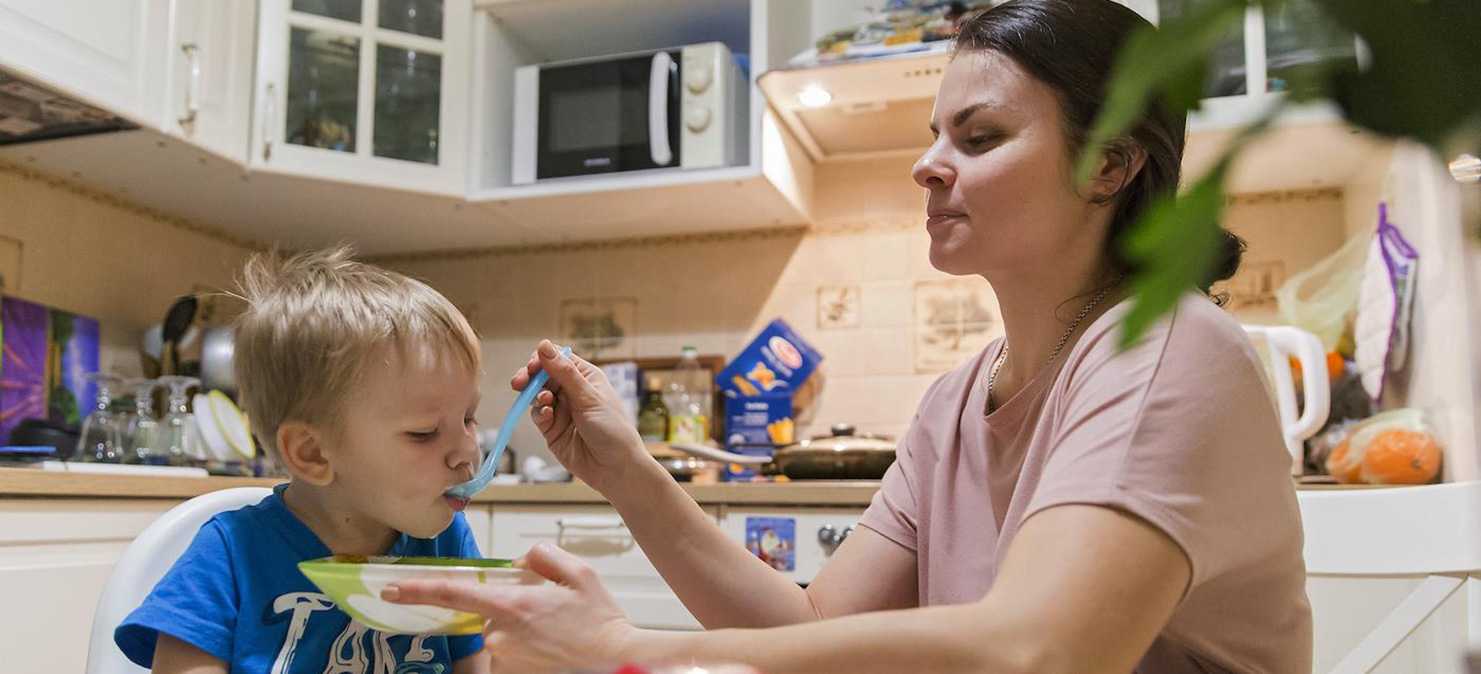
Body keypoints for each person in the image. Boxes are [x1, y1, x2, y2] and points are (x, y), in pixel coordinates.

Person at [384, 1, 1312, 673]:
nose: (926, 163)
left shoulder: (1166, 353)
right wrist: (627, 470)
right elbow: (809, 624)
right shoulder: (955, 401)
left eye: (979, 137)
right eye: (935, 133)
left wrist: (631, 648)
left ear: (1110, 162)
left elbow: (1042, 652)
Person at [115, 247, 491, 674]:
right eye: (423, 433)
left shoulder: (446, 543)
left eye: (468, 418)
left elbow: (475, 664)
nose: (468, 450)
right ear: (312, 453)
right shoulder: (229, 556)